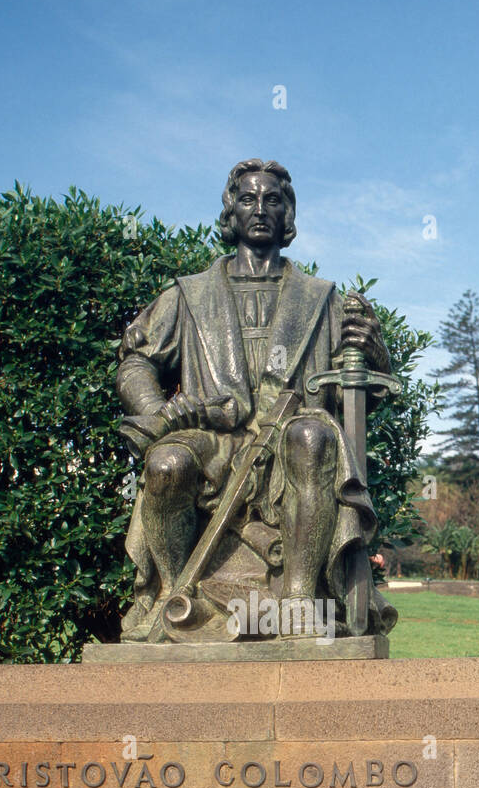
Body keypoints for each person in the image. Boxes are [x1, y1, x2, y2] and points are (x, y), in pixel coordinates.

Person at [115, 158, 396, 641]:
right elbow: (136, 360)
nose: (260, 208)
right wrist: (155, 410)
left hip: (289, 438)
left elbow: (360, 396)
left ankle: (299, 600)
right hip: (213, 442)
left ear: (287, 214)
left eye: (273, 199)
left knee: (312, 435)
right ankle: (167, 596)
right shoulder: (189, 294)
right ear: (231, 212)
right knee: (164, 465)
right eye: (248, 198)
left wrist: (375, 354)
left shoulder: (322, 297)